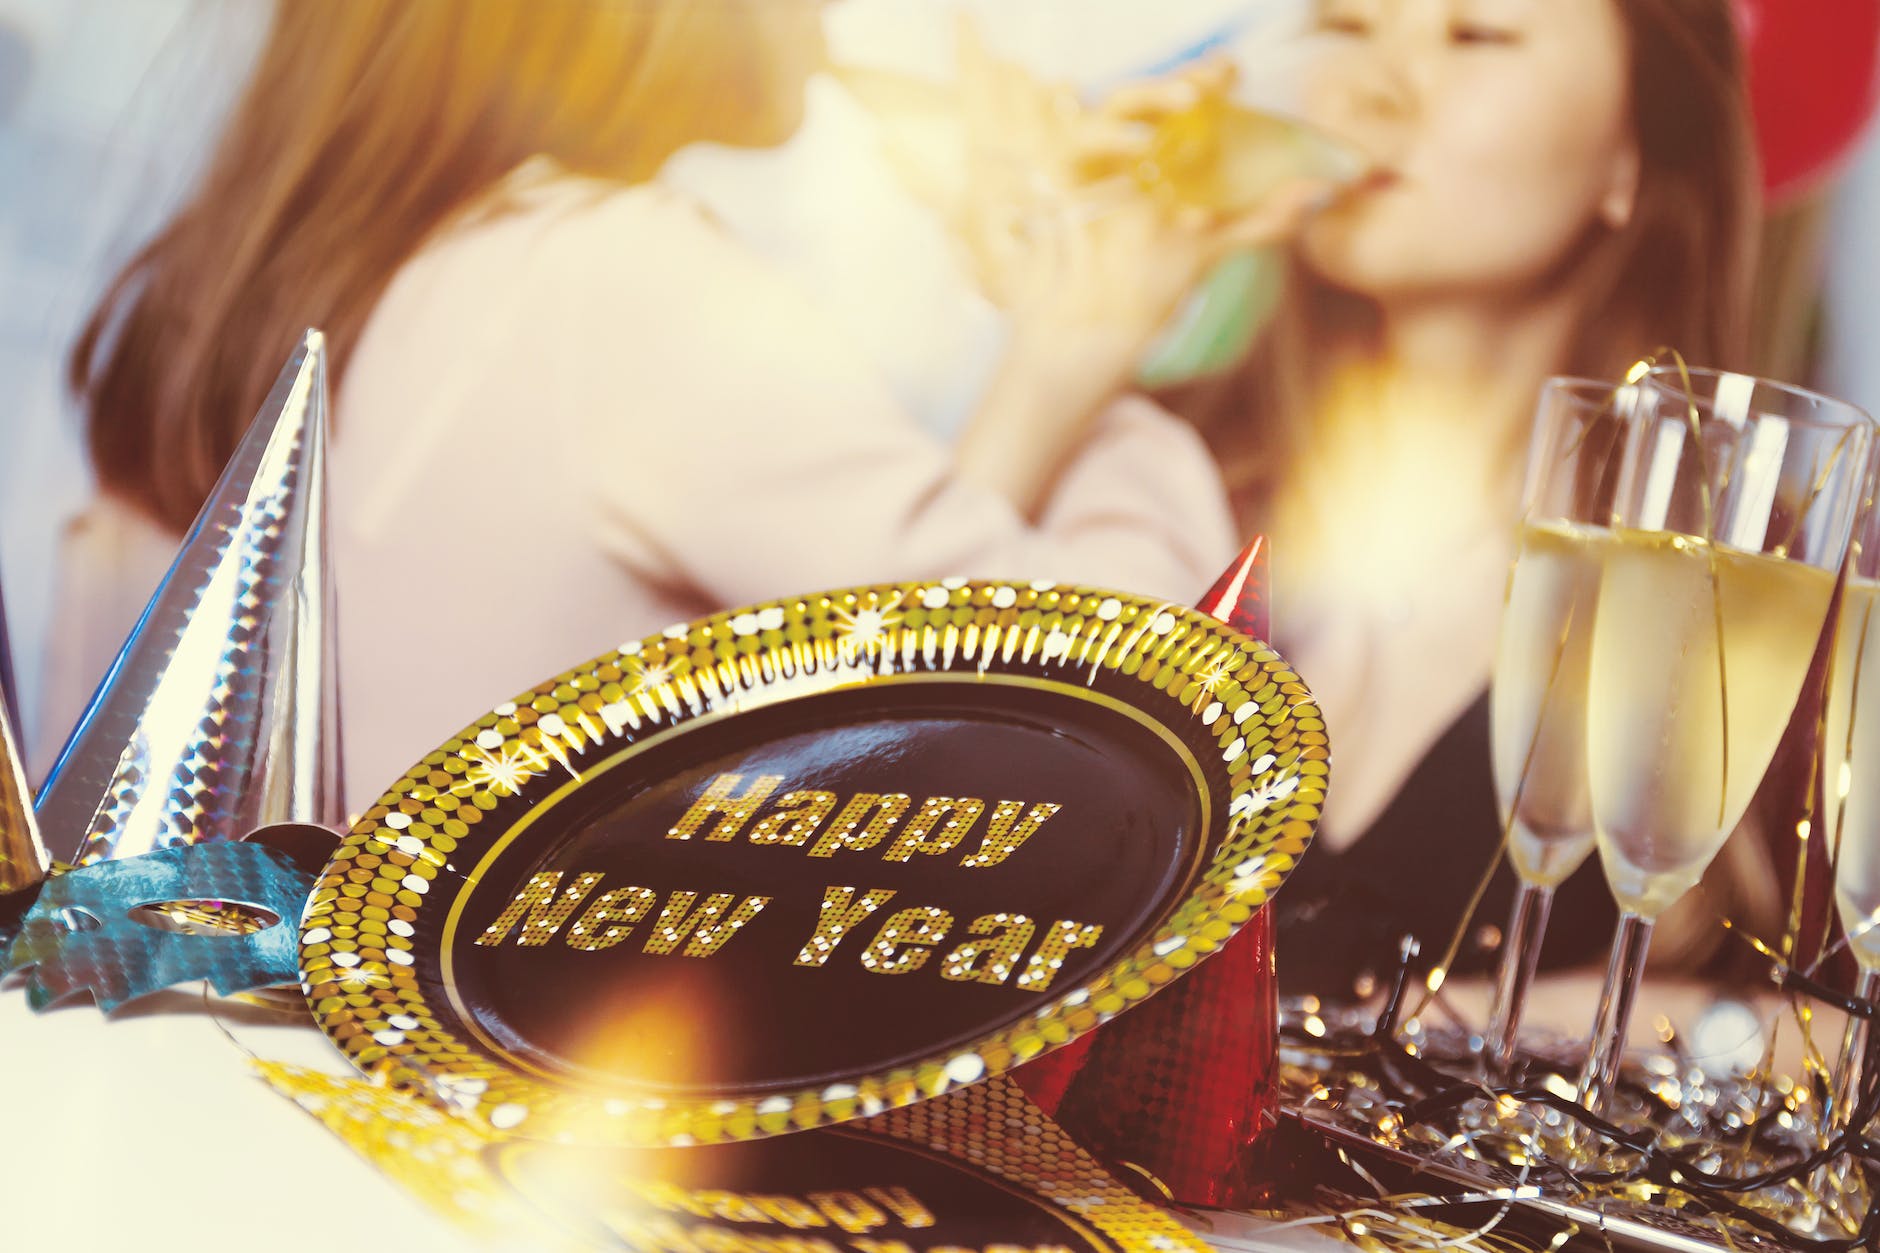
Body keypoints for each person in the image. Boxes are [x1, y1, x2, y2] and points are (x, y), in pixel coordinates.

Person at [40, 1, 1326, 818]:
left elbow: (892, 652)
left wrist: (1057, 360)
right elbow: (1106, 699)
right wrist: (1122, 366)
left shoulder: (349, 270)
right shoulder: (623, 279)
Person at [1157, 0, 1765, 995]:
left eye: (1474, 33)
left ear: (1636, 157)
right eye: (1344, 24)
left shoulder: (1757, 614)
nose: (1371, 86)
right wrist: (1062, 366)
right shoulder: (1145, 469)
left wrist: (1629, 1023)